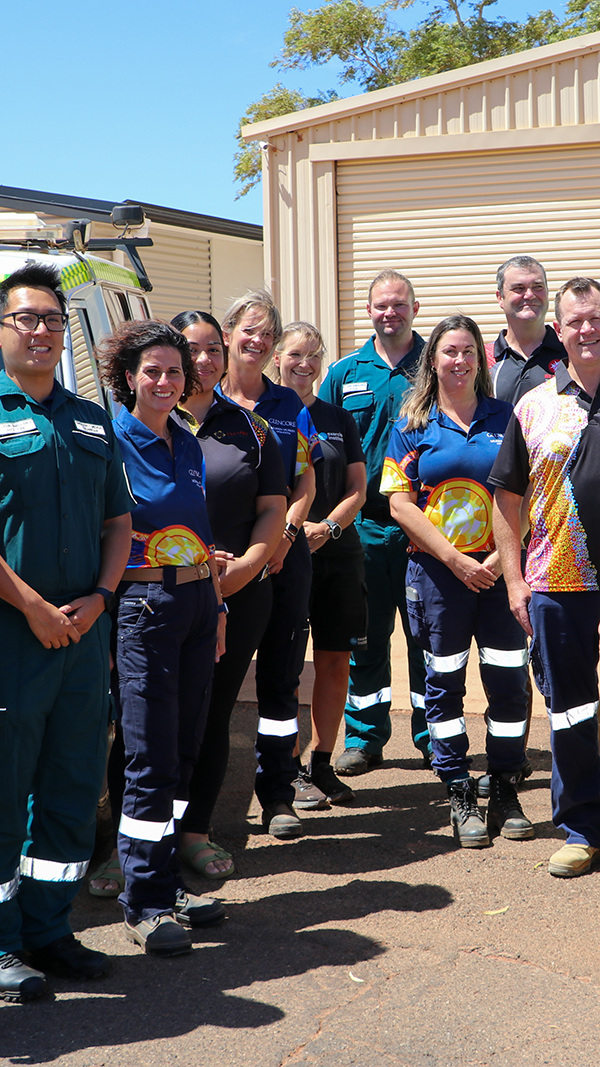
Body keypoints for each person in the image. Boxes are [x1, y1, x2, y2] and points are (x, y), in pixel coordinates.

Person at [0, 263, 134, 1003]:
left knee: (71, 783)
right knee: (3, 786)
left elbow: (120, 520)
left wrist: (101, 598)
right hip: (13, 635)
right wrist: (32, 607)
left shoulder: (90, 418)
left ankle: (50, 929)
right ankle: (1, 942)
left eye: (53, 318)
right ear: (3, 330)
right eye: (27, 318)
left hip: (83, 634)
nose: (44, 330)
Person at [99, 320, 227, 957]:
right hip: (144, 604)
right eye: (152, 370)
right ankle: (144, 901)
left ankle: (168, 881)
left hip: (200, 599)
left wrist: (218, 606)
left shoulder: (188, 440)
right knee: (148, 754)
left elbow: (199, 530)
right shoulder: (111, 442)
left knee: (182, 750)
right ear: (129, 377)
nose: (165, 380)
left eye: (175, 371)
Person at [381, 314, 533, 848]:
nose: (460, 360)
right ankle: (459, 788)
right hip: (439, 577)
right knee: (442, 682)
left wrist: (497, 561)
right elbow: (399, 502)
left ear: (480, 359)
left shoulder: (507, 417)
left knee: (509, 682)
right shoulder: (411, 424)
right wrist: (454, 559)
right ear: (434, 360)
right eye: (449, 351)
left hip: (498, 574)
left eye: (469, 350)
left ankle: (506, 784)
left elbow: (527, 496)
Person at [491, 277, 600, 877]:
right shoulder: (534, 405)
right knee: (571, 711)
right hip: (558, 580)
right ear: (560, 329)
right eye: (576, 321)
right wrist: (514, 580)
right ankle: (582, 827)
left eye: (596, 318)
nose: (587, 330)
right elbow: (506, 496)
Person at [172, 310, 287, 875]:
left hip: (239, 595)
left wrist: (246, 566)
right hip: (156, 596)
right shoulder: (137, 424)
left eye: (214, 349)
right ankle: (132, 845)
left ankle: (194, 832)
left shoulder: (252, 428)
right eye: (192, 349)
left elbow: (273, 509)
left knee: (213, 712)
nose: (205, 360)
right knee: (149, 715)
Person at [218, 290, 322, 838]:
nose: (256, 340)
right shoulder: (204, 400)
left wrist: (285, 536)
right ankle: (200, 801)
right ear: (229, 331)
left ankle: (278, 792)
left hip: (285, 556)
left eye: (266, 332)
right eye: (248, 329)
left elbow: (305, 479)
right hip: (223, 561)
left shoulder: (287, 405)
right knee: (216, 677)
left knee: (282, 681)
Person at [319, 270, 428, 776]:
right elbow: (320, 445)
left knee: (427, 638)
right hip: (361, 528)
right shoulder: (345, 372)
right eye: (381, 305)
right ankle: (365, 737)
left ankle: (434, 736)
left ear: (415, 308)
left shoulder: (437, 364)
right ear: (368, 312)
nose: (391, 312)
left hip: (424, 528)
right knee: (365, 638)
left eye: (399, 304)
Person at [272, 322, 367, 805]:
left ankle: (322, 763)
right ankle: (284, 769)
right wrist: (290, 534)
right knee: (286, 665)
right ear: (276, 357)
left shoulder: (338, 417)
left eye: (313, 355)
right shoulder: (265, 414)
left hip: (338, 554)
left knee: (334, 662)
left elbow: (358, 488)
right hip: (282, 556)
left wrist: (327, 527)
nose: (304, 364)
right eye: (294, 354)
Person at [488, 255, 567, 404]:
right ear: (500, 298)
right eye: (519, 288)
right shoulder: (484, 360)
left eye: (538, 286)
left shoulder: (570, 352)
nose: (530, 295)